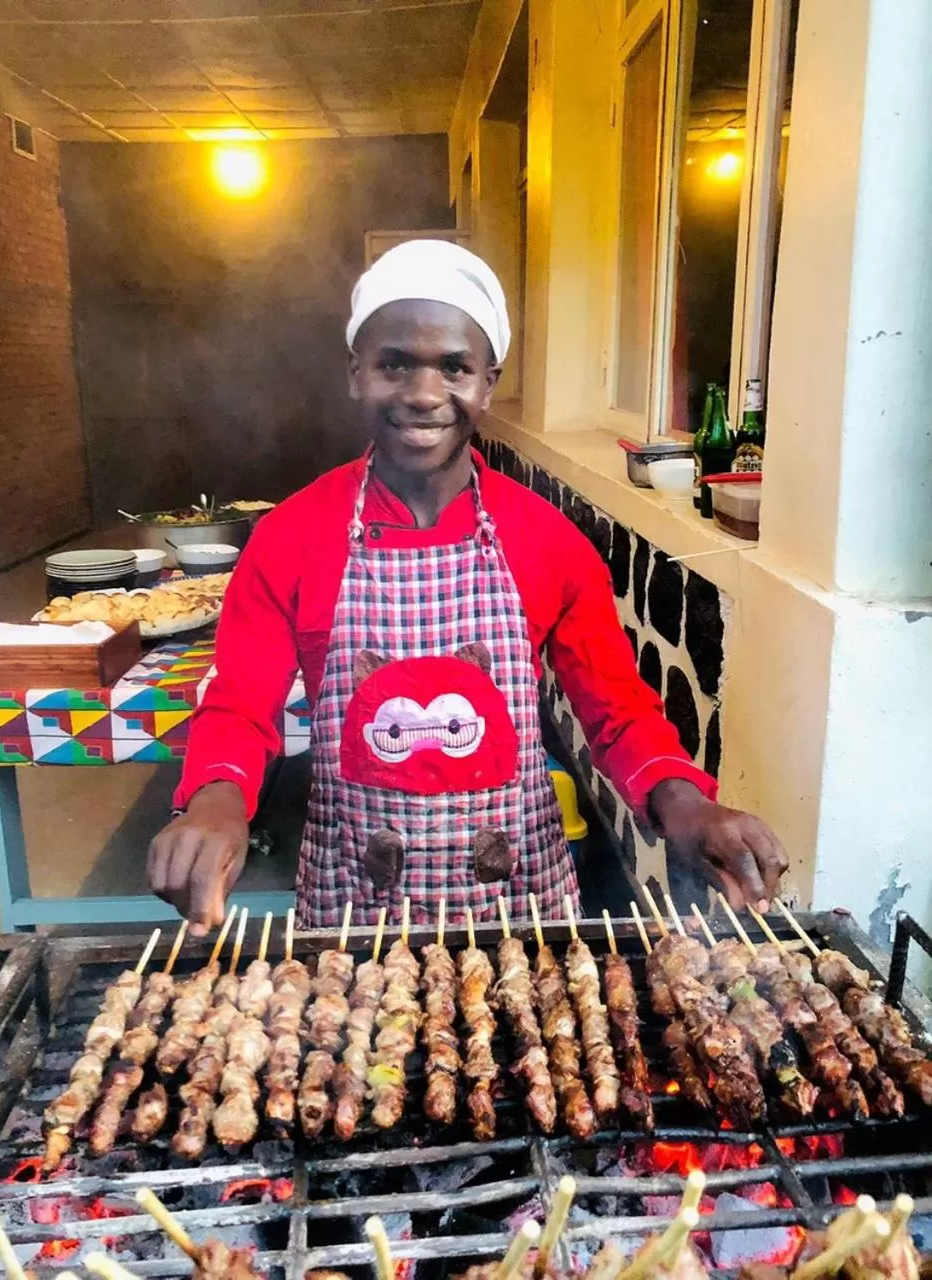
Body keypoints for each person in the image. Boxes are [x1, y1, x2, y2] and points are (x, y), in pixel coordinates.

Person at [148, 240, 787, 936]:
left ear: (488, 382)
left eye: (453, 367)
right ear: (356, 373)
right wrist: (215, 799)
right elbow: (240, 703)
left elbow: (617, 710)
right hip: (354, 912)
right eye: (395, 363)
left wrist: (683, 801)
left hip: (521, 910)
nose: (424, 394)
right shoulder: (292, 537)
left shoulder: (546, 539)